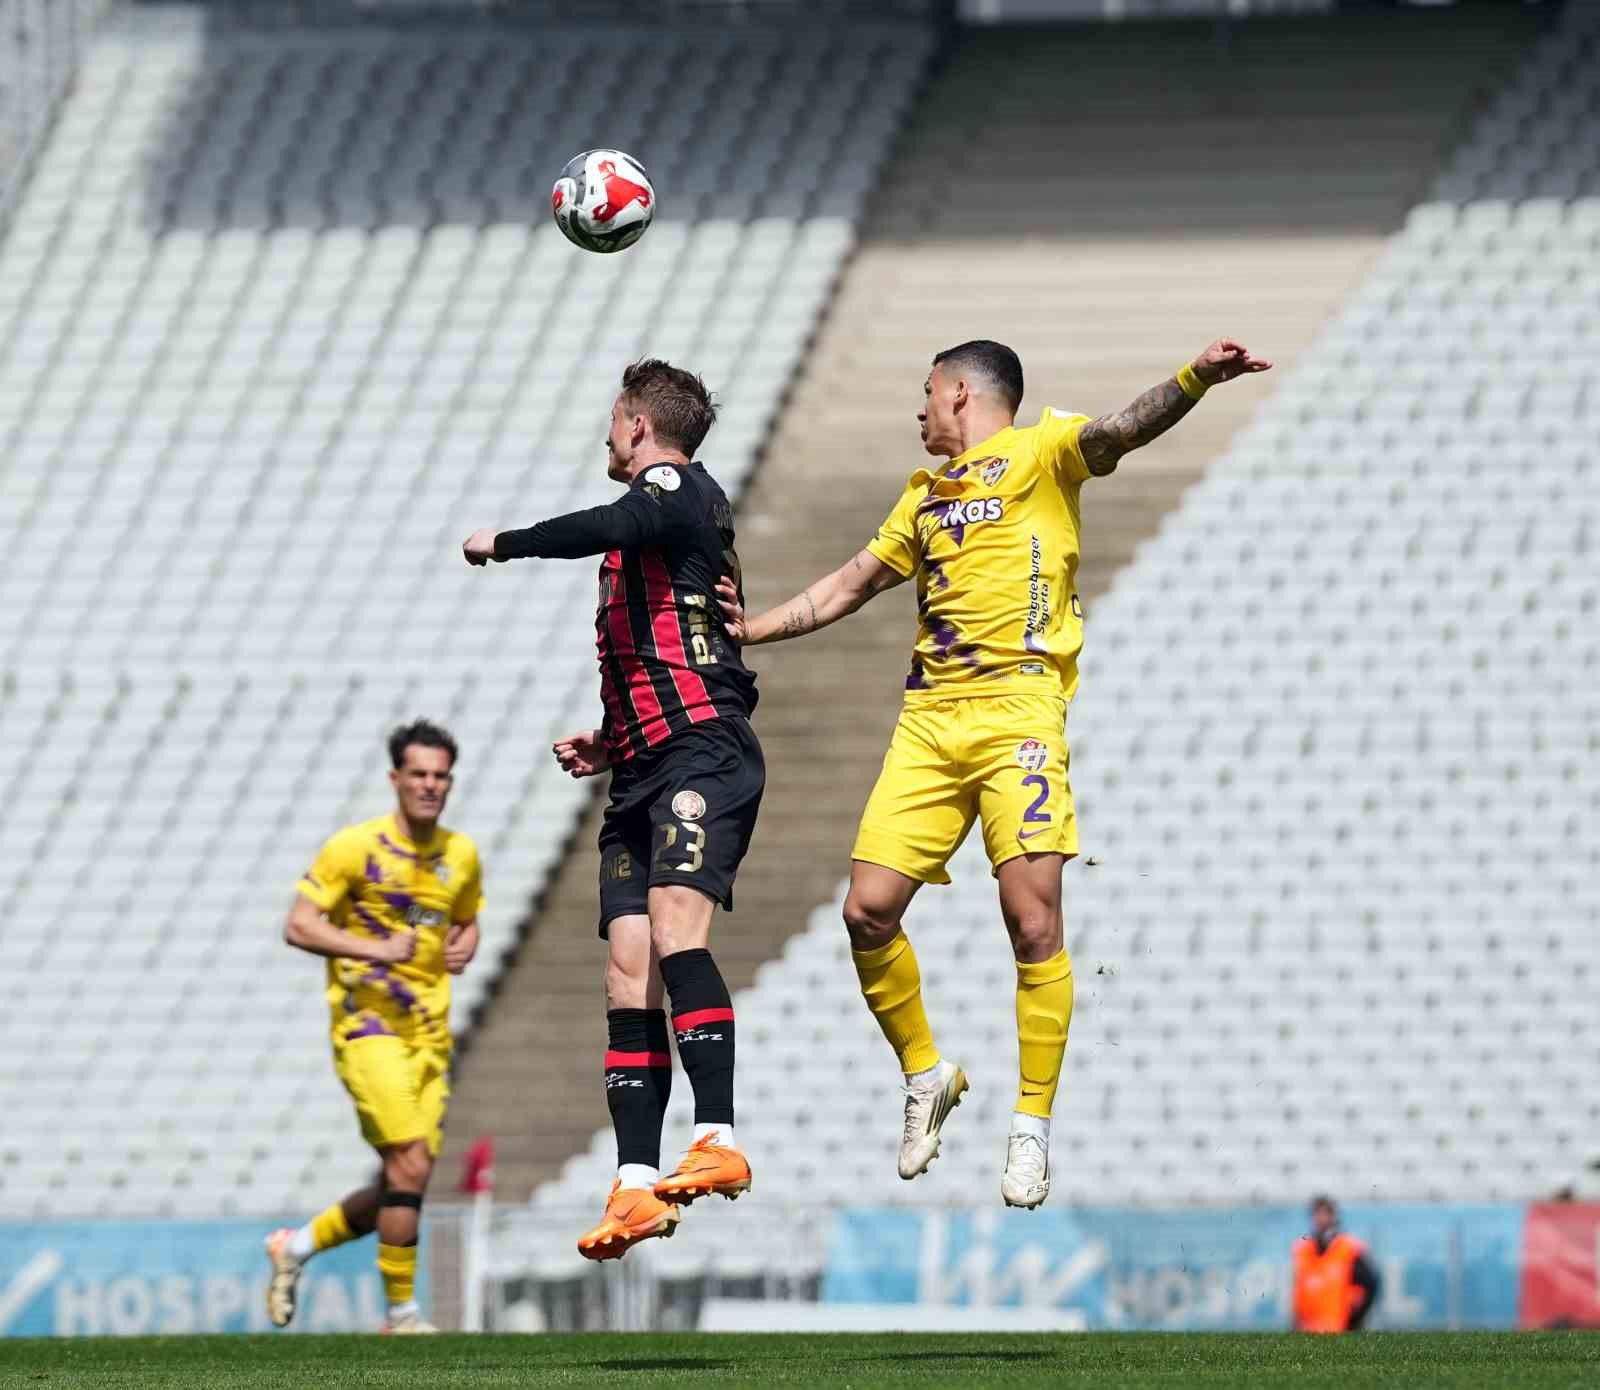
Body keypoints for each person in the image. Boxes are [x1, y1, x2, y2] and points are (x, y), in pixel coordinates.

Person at [716, 339, 1270, 1208]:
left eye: (927, 391)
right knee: (865, 910)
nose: (919, 408)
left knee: (1031, 921)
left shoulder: (1045, 453)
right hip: (929, 722)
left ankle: (1031, 1128)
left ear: (963, 393)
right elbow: (852, 583)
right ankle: (927, 1076)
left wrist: (1197, 377)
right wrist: (753, 631)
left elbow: (1125, 429)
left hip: (1019, 713)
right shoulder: (922, 496)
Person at [462, 358, 763, 1261]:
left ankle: (719, 1140)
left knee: (676, 933)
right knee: (626, 970)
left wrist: (506, 542)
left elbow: (612, 520)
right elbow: (667, 636)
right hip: (640, 761)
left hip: (700, 752)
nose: (606, 434)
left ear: (638, 425)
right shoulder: (672, 523)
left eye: (612, 419)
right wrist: (609, 734)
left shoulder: (667, 483)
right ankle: (636, 1185)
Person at [264, 720, 483, 1334]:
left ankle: (297, 1246)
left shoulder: (459, 855)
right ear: (396, 779)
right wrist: (373, 949)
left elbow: (464, 921)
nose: (430, 785)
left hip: (430, 1034)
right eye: (419, 774)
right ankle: (401, 1315)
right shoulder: (352, 849)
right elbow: (299, 925)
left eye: (441, 776)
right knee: (410, 1163)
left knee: (402, 1177)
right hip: (368, 1027)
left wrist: (464, 946)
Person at [1292, 1195, 1381, 1332]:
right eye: (1317, 1214)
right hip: (1307, 1328)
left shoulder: (1349, 1248)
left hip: (1339, 1327)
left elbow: (1369, 1285)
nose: (1320, 1219)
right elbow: (1299, 1290)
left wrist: (1354, 1318)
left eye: (1325, 1214)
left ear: (1334, 1216)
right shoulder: (1303, 1249)